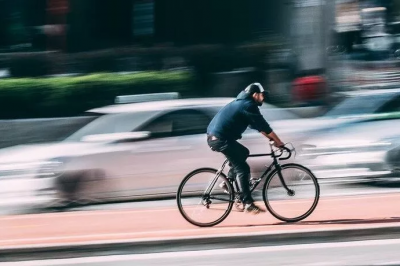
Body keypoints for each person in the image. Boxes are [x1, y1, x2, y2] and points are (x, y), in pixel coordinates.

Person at [206, 82, 285, 214]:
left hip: (218, 137)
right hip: (220, 139)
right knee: (243, 168)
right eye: (262, 95)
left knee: (243, 152)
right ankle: (248, 203)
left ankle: (228, 182)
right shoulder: (248, 105)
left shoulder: (242, 103)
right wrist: (279, 142)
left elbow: (260, 127)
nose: (263, 98)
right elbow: (264, 126)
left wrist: (273, 139)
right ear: (255, 95)